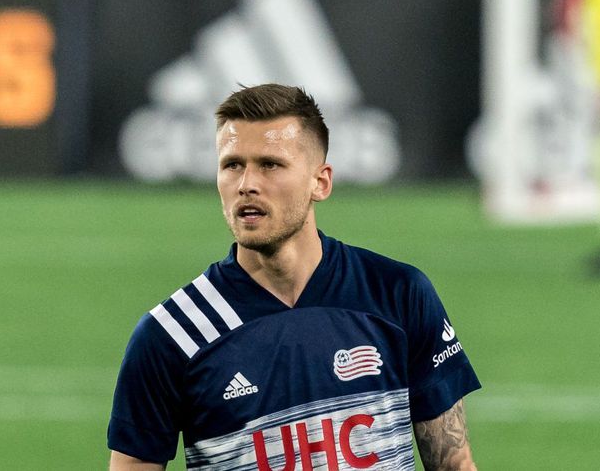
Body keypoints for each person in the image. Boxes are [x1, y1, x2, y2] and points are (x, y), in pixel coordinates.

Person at [108, 84, 481, 470]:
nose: (246, 184)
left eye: (270, 164)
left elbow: (453, 463)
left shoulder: (397, 295)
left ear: (320, 182)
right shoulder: (172, 335)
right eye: (232, 164)